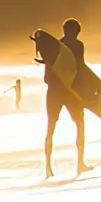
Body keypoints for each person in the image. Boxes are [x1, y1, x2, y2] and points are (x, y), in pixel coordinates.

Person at [41, 17, 88, 180]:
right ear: (76, 32)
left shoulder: (53, 47)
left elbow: (46, 76)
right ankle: (80, 164)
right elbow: (80, 70)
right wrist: (83, 94)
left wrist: (54, 84)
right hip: (71, 93)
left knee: (50, 128)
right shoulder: (78, 46)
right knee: (80, 125)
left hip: (54, 92)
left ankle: (48, 167)